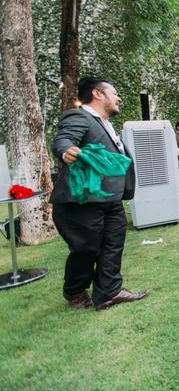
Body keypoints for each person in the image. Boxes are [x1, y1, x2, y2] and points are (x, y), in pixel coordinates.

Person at [50, 77, 148, 310]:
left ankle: (108, 292)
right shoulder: (79, 116)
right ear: (97, 94)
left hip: (110, 198)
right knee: (87, 247)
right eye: (114, 93)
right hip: (85, 199)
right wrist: (65, 150)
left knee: (113, 244)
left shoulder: (104, 123)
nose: (118, 98)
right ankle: (74, 291)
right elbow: (63, 138)